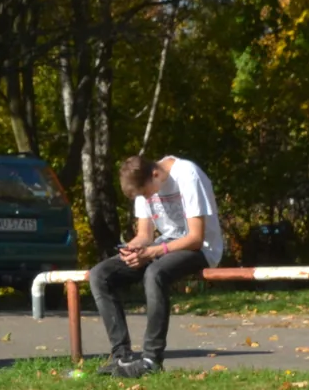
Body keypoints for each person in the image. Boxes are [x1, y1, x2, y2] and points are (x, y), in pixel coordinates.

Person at [89, 152, 226, 378]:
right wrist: (133, 249)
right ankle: (121, 357)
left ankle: (151, 359)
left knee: (155, 273)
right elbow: (145, 234)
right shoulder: (145, 182)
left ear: (155, 174)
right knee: (100, 275)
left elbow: (196, 237)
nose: (146, 197)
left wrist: (153, 251)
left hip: (201, 249)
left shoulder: (187, 175)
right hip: (164, 247)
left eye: (145, 193)